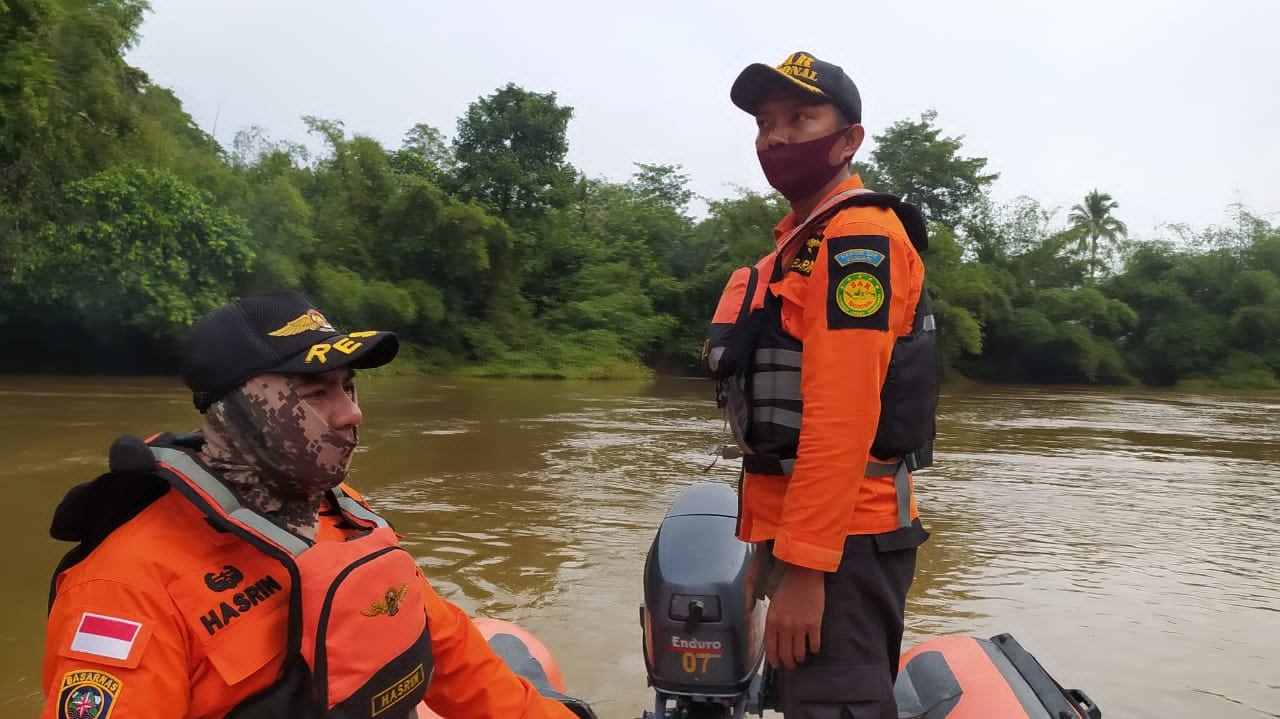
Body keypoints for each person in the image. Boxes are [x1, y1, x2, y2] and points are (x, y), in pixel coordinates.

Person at [41, 290, 593, 719]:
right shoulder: (124, 588)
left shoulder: (344, 511)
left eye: (348, 388)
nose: (351, 414)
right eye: (316, 394)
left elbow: (446, 647)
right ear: (233, 412)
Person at [712, 51, 937, 719]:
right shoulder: (798, 242)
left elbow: (842, 416)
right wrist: (768, 552)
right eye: (764, 121)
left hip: (846, 543)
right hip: (808, 537)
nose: (775, 137)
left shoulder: (857, 239)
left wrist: (807, 568)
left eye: (800, 117)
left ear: (848, 140)